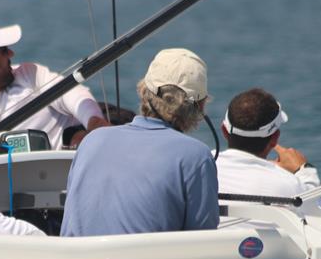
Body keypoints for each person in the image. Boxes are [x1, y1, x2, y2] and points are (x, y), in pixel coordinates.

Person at [60, 48, 220, 236]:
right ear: (199, 106)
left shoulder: (91, 141)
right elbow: (202, 240)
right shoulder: (195, 157)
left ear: (144, 91)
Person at [0, 17, 110, 155]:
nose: (11, 53)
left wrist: (93, 121)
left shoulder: (29, 74)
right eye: (4, 50)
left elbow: (72, 94)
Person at [217, 88, 321, 217]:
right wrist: (305, 171)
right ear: (275, 138)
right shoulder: (289, 185)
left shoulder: (199, 166)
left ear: (224, 131)